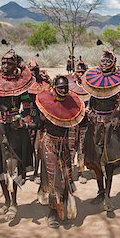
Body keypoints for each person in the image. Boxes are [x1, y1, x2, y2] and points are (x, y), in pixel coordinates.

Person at [0, 49, 34, 221]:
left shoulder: (23, 86)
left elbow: (27, 107)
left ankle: (14, 203)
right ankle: (5, 201)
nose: (5, 65)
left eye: (9, 63)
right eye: (3, 62)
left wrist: (21, 119)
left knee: (13, 165)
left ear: (16, 65)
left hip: (14, 130)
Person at [81, 50, 120, 212]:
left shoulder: (119, 82)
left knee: (108, 163)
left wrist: (117, 116)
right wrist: (89, 111)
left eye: (108, 61)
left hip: (110, 125)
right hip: (95, 125)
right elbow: (91, 99)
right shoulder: (94, 79)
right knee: (95, 161)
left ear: (113, 63)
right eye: (103, 60)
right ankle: (100, 191)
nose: (104, 63)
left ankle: (108, 196)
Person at [35, 75, 85, 228]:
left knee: (65, 178)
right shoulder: (46, 105)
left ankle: (61, 207)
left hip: (64, 145)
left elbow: (81, 121)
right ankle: (51, 213)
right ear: (54, 87)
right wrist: (39, 120)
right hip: (49, 143)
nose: (63, 90)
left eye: (65, 87)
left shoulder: (72, 104)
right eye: (60, 87)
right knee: (53, 179)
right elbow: (37, 125)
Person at [27, 58, 51, 183]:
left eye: (36, 69)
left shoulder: (44, 83)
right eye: (32, 69)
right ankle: (24, 171)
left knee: (39, 147)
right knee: (26, 146)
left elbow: (50, 95)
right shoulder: (23, 82)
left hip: (42, 118)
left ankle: (37, 172)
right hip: (29, 117)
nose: (34, 72)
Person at [66, 58, 90, 184]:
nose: (80, 73)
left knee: (82, 148)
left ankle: (81, 172)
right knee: (70, 148)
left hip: (84, 122)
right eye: (79, 71)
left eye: (83, 71)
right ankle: (69, 174)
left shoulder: (90, 85)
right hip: (72, 121)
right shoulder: (68, 83)